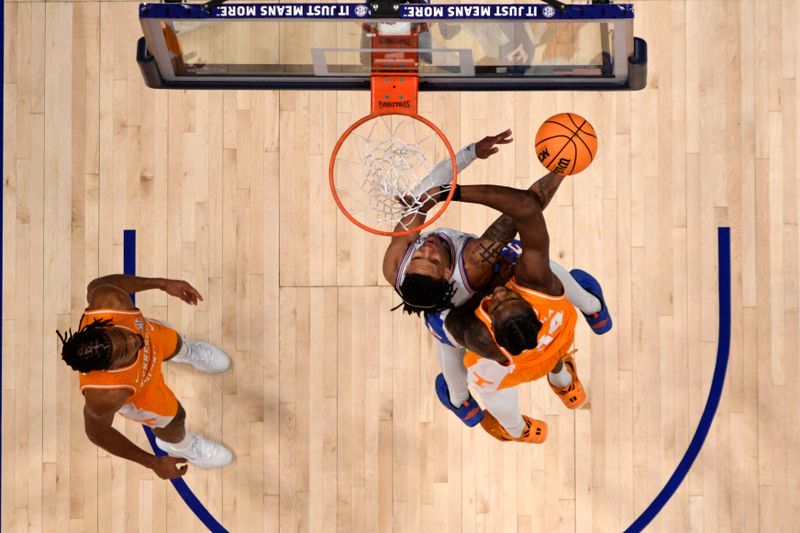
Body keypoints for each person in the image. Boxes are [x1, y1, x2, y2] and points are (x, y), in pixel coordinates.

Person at [382, 132, 610, 428]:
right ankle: (593, 310)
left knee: (453, 370)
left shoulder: (395, 265)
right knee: (545, 271)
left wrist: (470, 153)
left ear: (405, 269)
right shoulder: (475, 259)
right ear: (446, 273)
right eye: (434, 259)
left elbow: (423, 196)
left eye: (419, 257)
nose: (426, 249)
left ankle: (465, 406)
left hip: (462, 331)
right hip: (506, 329)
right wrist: (563, 167)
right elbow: (524, 210)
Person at [442, 182, 612, 443]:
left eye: (495, 303)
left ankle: (500, 422)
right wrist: (561, 169)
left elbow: (451, 321)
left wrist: (486, 287)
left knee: (445, 342)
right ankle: (570, 368)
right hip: (554, 342)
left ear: (493, 331)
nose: (498, 293)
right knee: (552, 347)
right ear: (533, 313)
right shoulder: (545, 294)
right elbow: (528, 212)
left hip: (511, 372)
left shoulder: (483, 340)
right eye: (508, 295)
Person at [57, 274, 234, 479]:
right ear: (110, 367)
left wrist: (162, 284)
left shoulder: (110, 303)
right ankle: (181, 446)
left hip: (154, 339)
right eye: (125, 351)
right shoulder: (106, 395)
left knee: (173, 341)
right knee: (175, 420)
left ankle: (189, 352)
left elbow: (96, 285)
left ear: (105, 327)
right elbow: (97, 433)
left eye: (120, 334)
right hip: (140, 388)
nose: (133, 341)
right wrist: (152, 462)